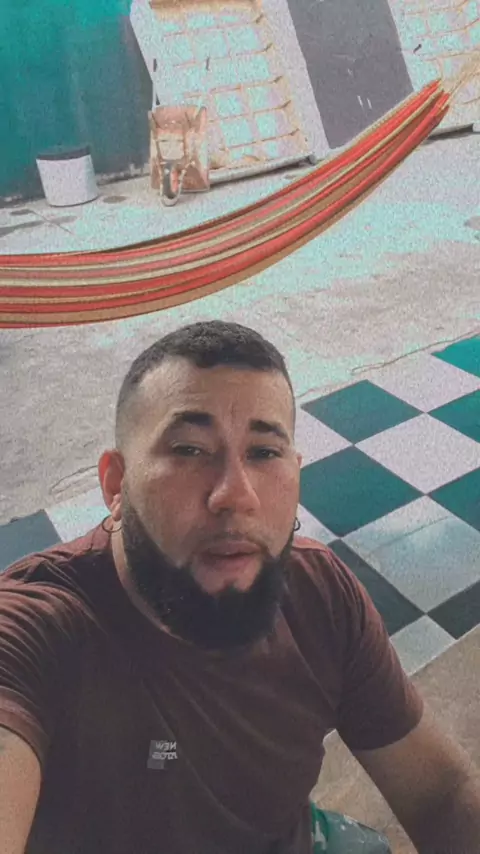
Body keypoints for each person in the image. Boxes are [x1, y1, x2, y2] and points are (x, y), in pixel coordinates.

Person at [0, 320, 479, 854]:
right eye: (189, 450)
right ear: (117, 483)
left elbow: (441, 794)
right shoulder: (36, 631)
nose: (236, 494)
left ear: (296, 472)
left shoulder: (319, 592)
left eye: (264, 452)